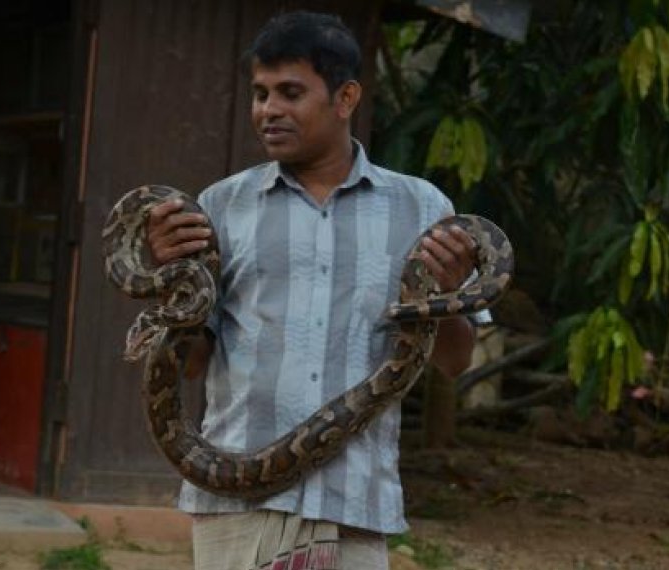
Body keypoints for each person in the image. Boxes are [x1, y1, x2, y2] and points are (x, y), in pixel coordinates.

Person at [146, 11, 482, 570]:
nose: (268, 110)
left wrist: (444, 296)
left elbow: (455, 361)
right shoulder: (220, 207)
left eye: (290, 93)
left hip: (355, 502)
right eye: (260, 94)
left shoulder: (423, 209)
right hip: (238, 502)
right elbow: (192, 363)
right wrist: (169, 279)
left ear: (346, 97)